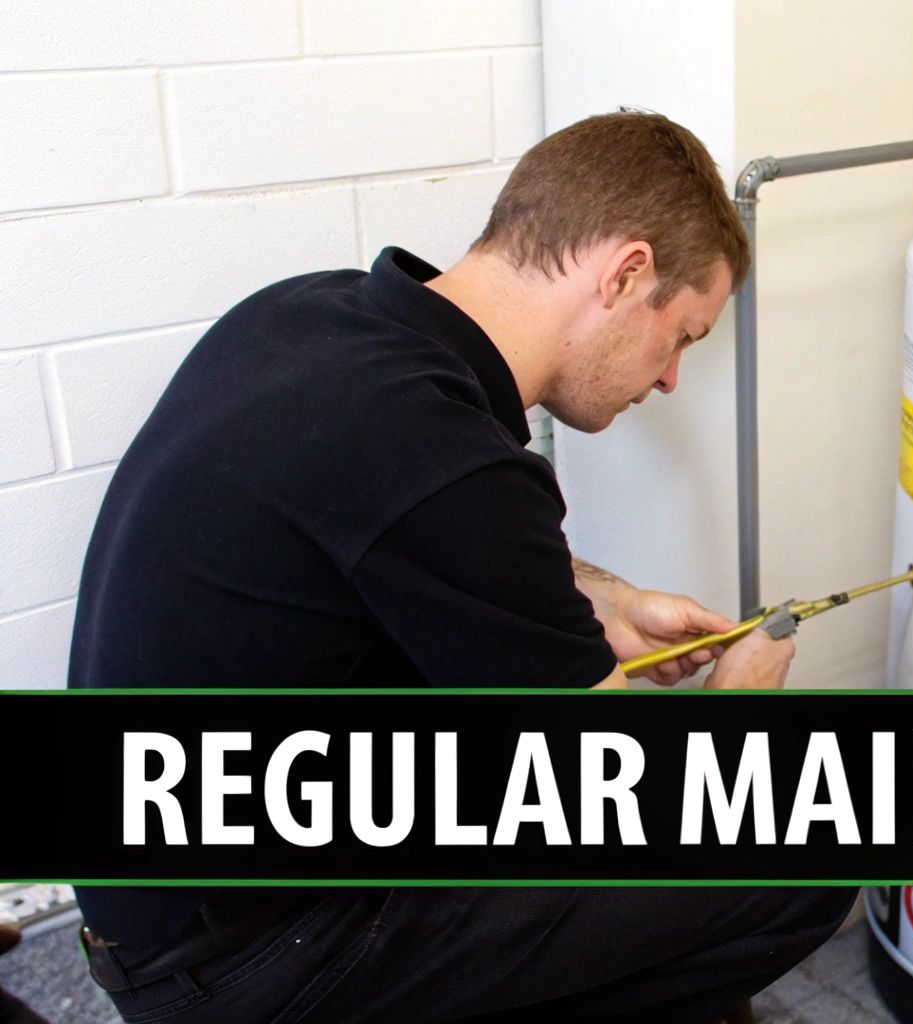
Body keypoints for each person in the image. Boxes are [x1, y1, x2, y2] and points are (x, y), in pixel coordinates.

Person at [67, 112, 854, 1022]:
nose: (671, 377)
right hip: (247, 962)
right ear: (626, 274)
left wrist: (605, 601)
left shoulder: (310, 317)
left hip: (169, 897)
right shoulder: (447, 457)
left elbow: (404, 538)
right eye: (682, 335)